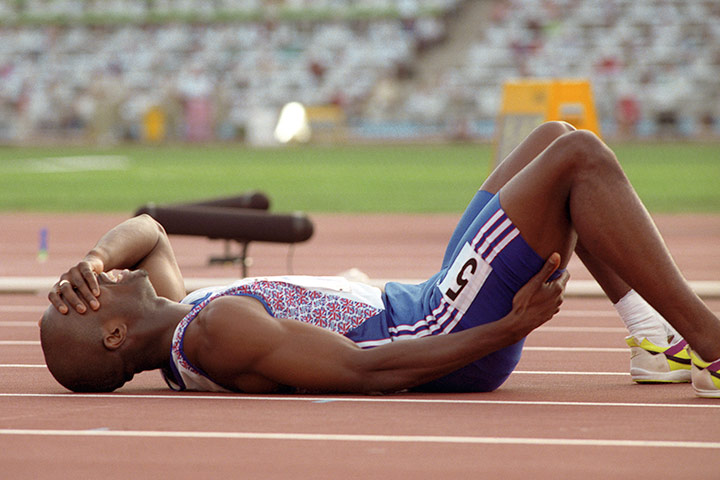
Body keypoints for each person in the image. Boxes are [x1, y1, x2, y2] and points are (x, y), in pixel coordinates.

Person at [39, 122, 720, 397]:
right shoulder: (213, 334)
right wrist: (510, 330)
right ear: (114, 334)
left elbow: (150, 231)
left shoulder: (178, 320)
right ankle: (712, 345)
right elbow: (364, 371)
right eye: (91, 297)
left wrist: (93, 261)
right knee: (580, 160)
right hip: (442, 331)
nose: (105, 280)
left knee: (552, 136)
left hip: (426, 302)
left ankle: (652, 342)